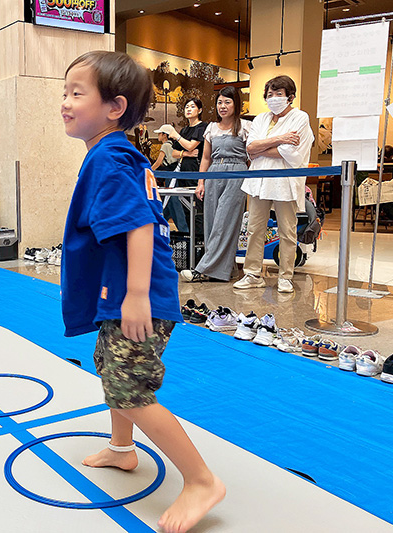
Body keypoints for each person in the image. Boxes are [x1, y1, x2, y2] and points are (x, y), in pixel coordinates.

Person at [60, 50, 224, 533]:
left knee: (130, 388)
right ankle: (122, 448)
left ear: (115, 106)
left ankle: (199, 480)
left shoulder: (109, 157)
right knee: (112, 370)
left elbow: (135, 227)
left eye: (76, 93)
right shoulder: (113, 153)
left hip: (137, 294)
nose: (65, 103)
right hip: (127, 290)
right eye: (64, 93)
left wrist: (135, 297)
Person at [234, 75, 314, 294]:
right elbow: (250, 149)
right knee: (254, 228)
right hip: (259, 181)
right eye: (270, 95)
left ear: (290, 96)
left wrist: (263, 147)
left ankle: (285, 276)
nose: (274, 98)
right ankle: (252, 274)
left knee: (287, 231)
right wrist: (280, 139)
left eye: (279, 94)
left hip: (284, 183)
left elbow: (292, 154)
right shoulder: (261, 118)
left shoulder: (300, 117)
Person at [181, 86, 250, 283]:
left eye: (227, 102)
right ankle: (225, 270)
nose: (222, 106)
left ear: (236, 104)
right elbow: (205, 158)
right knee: (211, 223)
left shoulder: (245, 126)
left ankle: (204, 269)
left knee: (225, 222)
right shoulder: (211, 128)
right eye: (220, 102)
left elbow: (251, 156)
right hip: (213, 173)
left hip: (236, 173)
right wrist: (200, 182)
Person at [165, 98, 208, 234]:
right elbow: (174, 153)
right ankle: (189, 240)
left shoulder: (202, 127)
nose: (188, 109)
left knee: (198, 210)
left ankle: (200, 244)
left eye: (192, 107)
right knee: (186, 210)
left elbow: (191, 145)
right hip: (182, 173)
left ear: (199, 110)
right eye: (186, 107)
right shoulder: (184, 130)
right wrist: (186, 154)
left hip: (196, 173)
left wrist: (177, 137)